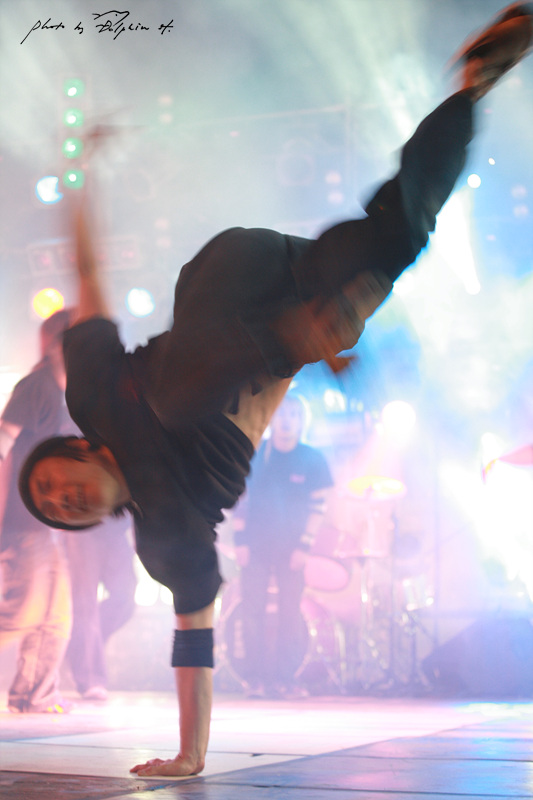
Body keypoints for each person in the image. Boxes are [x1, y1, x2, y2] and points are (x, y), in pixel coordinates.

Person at [16, 4, 533, 775]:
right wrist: (190, 753)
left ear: (77, 449)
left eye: (53, 484)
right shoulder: (166, 538)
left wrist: (82, 178)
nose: (62, 500)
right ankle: (471, 87)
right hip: (302, 291)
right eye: (58, 511)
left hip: (228, 280)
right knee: (401, 233)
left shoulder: (93, 395)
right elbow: (193, 637)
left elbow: (87, 277)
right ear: (88, 519)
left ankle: (309, 338)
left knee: (178, 398)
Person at [233, 394, 333, 697]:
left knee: (290, 613)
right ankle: (255, 679)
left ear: (302, 421)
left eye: (293, 414)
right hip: (256, 546)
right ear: (271, 418)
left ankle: (286, 679)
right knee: (251, 611)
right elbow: (240, 499)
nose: (286, 419)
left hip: (293, 549)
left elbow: (319, 507)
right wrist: (240, 540)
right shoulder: (255, 454)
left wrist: (305, 545)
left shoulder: (312, 459)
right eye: (281, 413)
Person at [0, 309, 73, 713]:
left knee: (55, 617)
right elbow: (2, 440)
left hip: (47, 523)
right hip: (23, 522)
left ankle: (34, 695)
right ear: (58, 344)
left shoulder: (68, 393)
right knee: (22, 613)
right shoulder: (37, 386)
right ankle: (33, 694)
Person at [64, 515, 137, 701]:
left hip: (116, 527)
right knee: (84, 605)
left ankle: (78, 646)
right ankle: (91, 680)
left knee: (125, 598)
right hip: (81, 526)